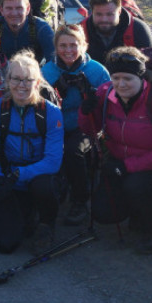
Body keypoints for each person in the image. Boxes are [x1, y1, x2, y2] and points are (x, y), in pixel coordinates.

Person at [80, 47, 152, 253]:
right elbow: (91, 129)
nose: (121, 84)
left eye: (128, 78)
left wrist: (126, 167)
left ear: (141, 78)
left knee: (136, 185)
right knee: (103, 213)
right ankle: (137, 213)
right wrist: (85, 111)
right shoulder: (105, 93)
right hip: (118, 162)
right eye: (116, 78)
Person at [0, 52, 64, 254]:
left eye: (28, 80)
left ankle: (46, 223)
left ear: (37, 82)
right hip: (10, 179)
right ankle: (26, 214)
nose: (22, 85)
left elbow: (53, 162)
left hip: (37, 177)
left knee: (43, 186)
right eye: (16, 79)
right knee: (5, 244)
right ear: (7, 80)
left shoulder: (51, 112)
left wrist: (21, 174)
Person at [41, 24, 110, 226]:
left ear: (84, 46)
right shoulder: (48, 71)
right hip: (55, 125)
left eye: (74, 45)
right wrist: (53, 92)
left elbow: (109, 105)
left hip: (86, 126)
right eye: (63, 45)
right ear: (56, 47)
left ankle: (80, 199)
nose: (68, 50)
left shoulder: (96, 70)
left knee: (73, 151)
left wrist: (91, 99)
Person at [81, 0, 152, 65]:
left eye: (109, 14)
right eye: (99, 14)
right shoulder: (80, 31)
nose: (104, 19)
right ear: (92, 12)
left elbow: (150, 66)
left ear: (119, 12)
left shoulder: (138, 29)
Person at [0, 0, 55, 64]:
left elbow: (53, 61)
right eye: (9, 8)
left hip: (32, 73)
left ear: (27, 9)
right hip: (0, 73)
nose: (14, 13)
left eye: (19, 8)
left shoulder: (41, 28)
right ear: (1, 10)